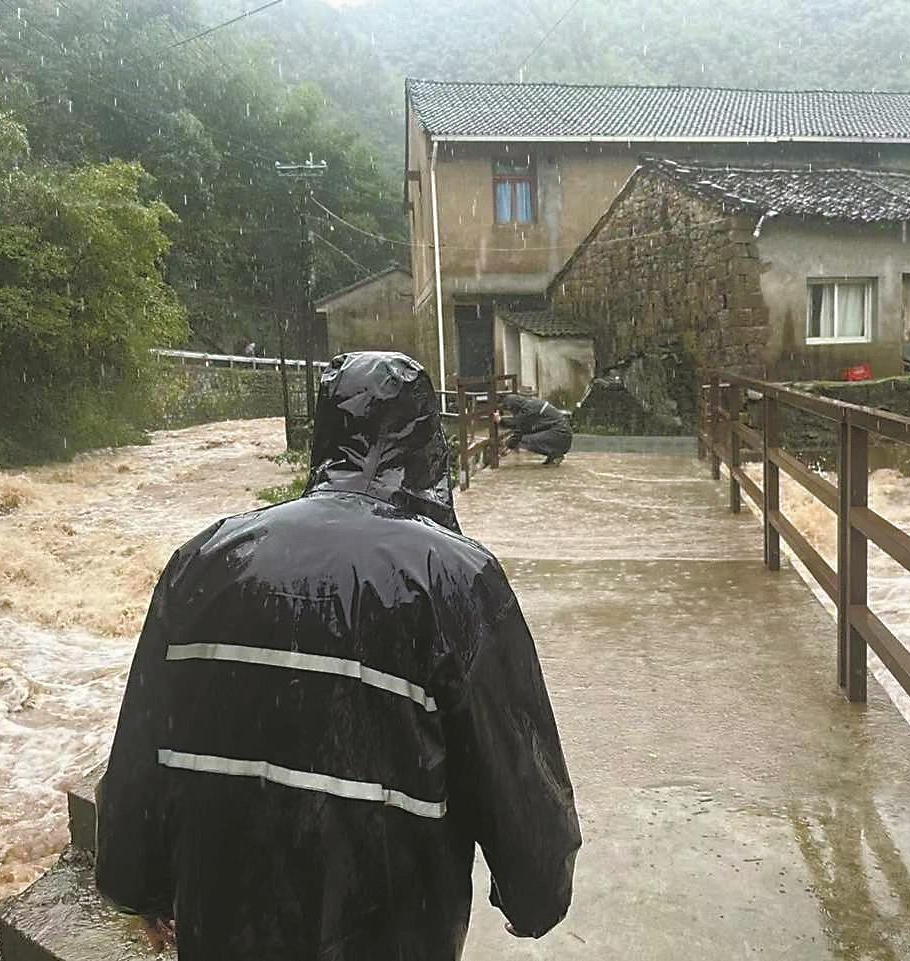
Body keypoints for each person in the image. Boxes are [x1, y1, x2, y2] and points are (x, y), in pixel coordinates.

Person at [95, 351, 581, 960]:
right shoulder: (454, 577)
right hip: (390, 935)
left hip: (225, 924)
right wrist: (535, 891)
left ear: (325, 435)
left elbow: (142, 745)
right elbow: (514, 760)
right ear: (427, 445)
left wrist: (136, 885)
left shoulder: (206, 560)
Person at [499, 394, 573, 465]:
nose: (511, 412)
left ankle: (556, 454)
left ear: (514, 407)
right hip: (562, 435)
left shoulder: (528, 410)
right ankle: (554, 455)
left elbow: (519, 430)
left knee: (523, 440)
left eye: (510, 410)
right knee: (522, 437)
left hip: (560, 435)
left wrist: (509, 446)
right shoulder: (530, 405)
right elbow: (519, 425)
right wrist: (501, 421)